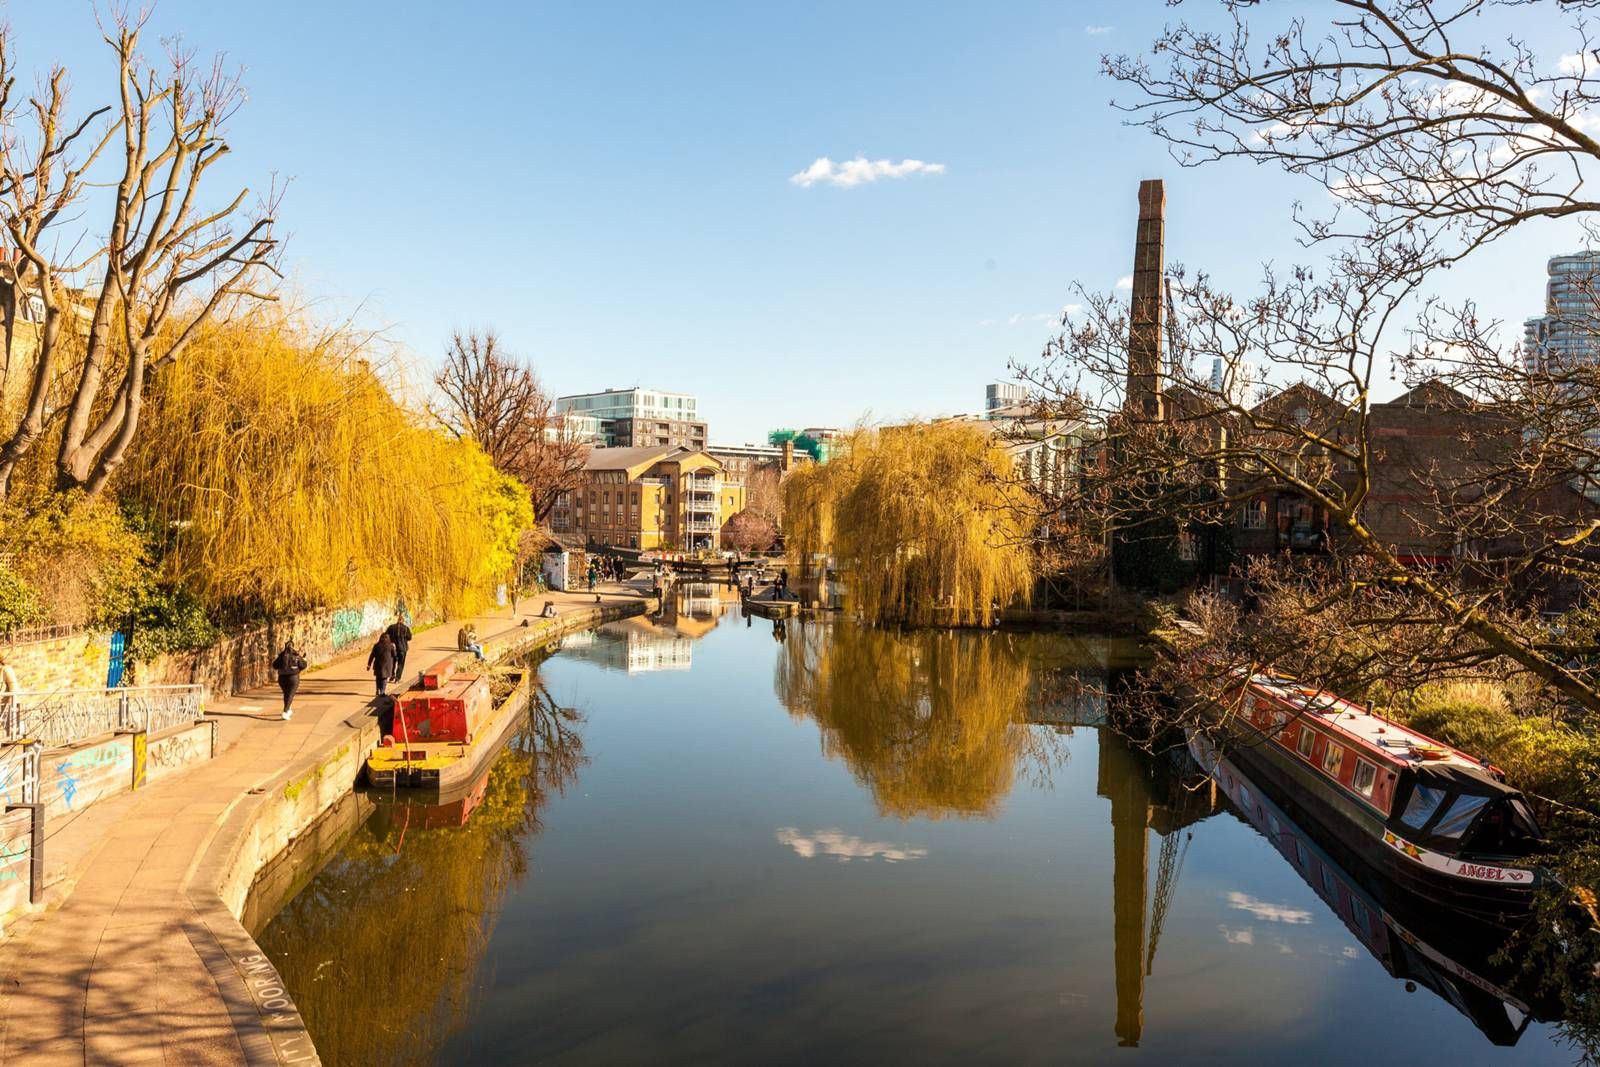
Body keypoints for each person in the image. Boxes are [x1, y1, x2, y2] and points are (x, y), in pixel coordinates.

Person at [271, 640, 306, 721]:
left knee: (286, 694)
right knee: (290, 694)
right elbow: (303, 665)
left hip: (282, 678)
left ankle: (288, 708)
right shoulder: (296, 655)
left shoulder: (281, 655)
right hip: (293, 678)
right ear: (293, 646)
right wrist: (304, 659)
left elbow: (274, 665)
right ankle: (285, 712)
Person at [367, 632, 397, 698]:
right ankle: (382, 692)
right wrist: (394, 649)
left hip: (378, 664)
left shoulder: (376, 645)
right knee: (384, 678)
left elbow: (372, 655)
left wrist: (369, 664)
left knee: (378, 678)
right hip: (387, 665)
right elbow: (394, 655)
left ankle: (377, 689)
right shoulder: (391, 646)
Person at [385, 616, 412, 684]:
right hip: (403, 649)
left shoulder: (391, 627)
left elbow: (386, 635)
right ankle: (397, 678)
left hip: (393, 648)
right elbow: (409, 637)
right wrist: (404, 638)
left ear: (397, 620)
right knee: (400, 664)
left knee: (392, 662)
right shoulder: (406, 628)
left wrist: (391, 641)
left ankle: (392, 675)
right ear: (403, 621)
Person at [0, 652, 18, 737]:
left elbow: (13, 687)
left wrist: (10, 704)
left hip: (6, 707)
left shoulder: (6, 670)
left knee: (10, 732)